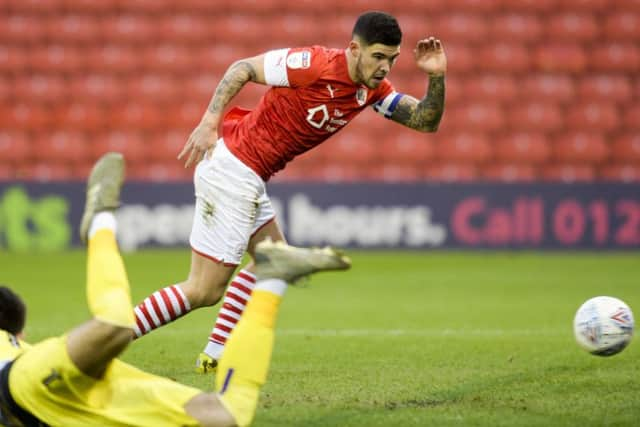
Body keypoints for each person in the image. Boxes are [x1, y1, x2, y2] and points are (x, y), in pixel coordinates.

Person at [130, 10, 446, 373]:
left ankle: (213, 356)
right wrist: (208, 121)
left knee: (272, 259)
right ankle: (110, 335)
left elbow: (426, 121)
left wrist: (436, 76)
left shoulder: (371, 90)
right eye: (378, 56)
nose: (385, 67)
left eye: (392, 59)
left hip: (248, 173)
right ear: (354, 49)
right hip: (234, 166)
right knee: (204, 290)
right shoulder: (313, 64)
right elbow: (243, 68)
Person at [0, 152, 350, 427]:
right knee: (230, 414)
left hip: (21, 385)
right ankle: (272, 281)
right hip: (73, 409)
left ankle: (100, 222)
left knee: (116, 326)